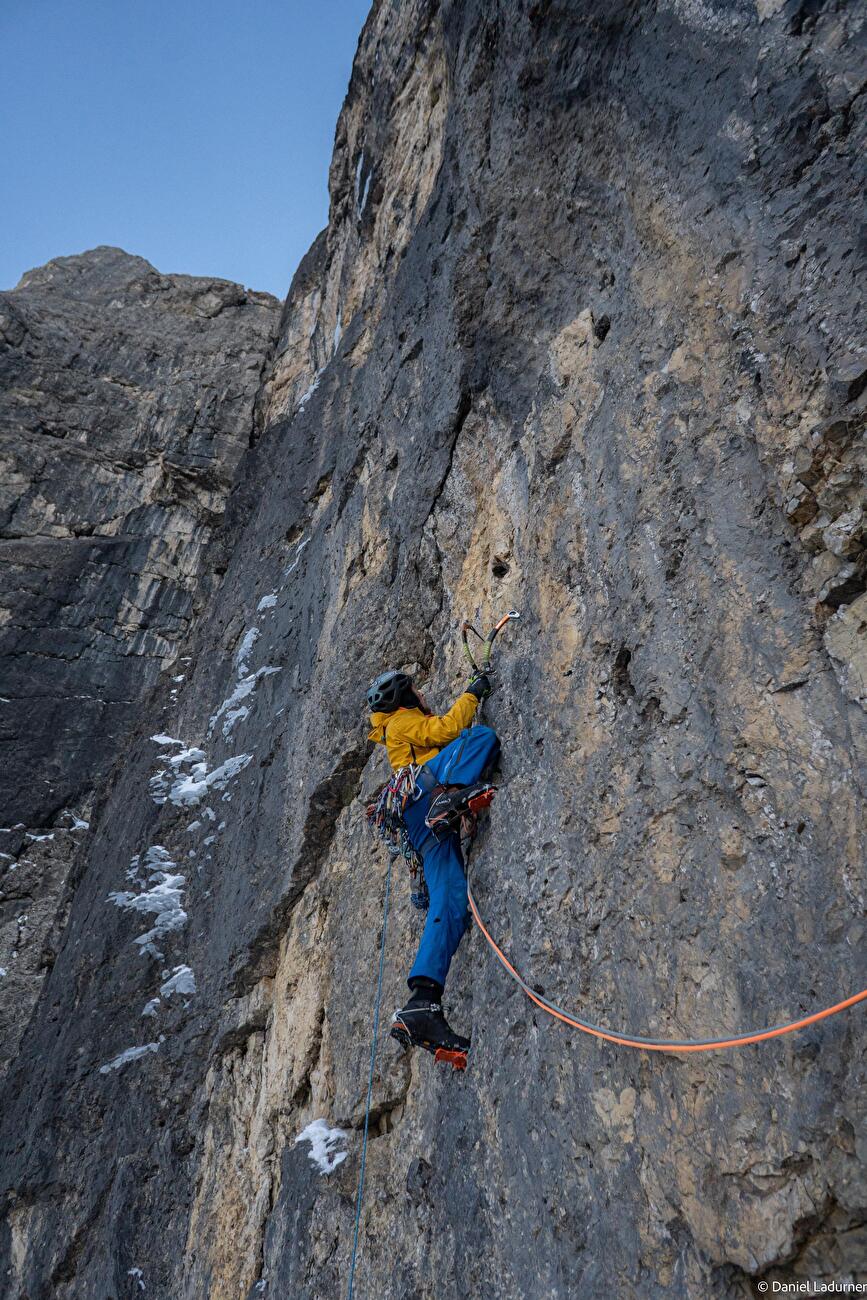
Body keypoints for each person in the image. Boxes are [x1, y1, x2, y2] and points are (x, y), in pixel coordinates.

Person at [366, 669, 500, 1059]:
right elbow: (444, 730)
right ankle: (451, 798)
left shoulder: (393, 729)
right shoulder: (403, 720)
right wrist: (473, 694)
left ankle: (422, 1001)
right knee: (479, 737)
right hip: (427, 794)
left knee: (451, 901)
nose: (423, 693)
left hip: (419, 822)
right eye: (416, 689)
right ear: (404, 697)